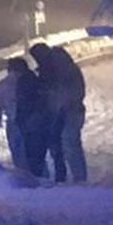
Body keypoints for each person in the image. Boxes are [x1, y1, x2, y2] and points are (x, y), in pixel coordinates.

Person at [31, 41, 88, 183]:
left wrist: (58, 104)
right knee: (68, 144)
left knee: (69, 143)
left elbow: (64, 92)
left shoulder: (58, 70)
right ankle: (77, 177)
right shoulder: (61, 67)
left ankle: (78, 179)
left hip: (69, 111)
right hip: (68, 110)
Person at [0, 57, 45, 174]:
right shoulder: (32, 80)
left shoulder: (3, 85)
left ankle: (25, 179)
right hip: (31, 121)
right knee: (36, 153)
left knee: (18, 154)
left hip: (13, 122)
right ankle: (42, 179)